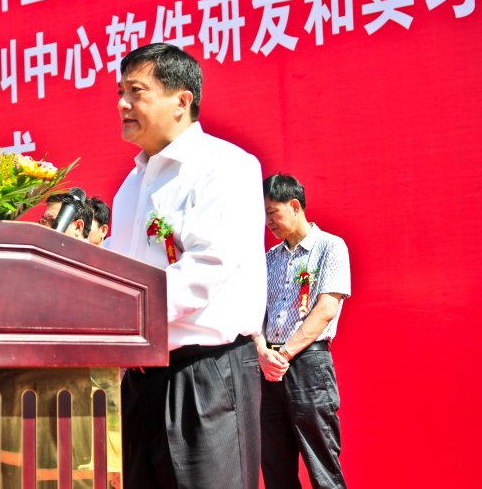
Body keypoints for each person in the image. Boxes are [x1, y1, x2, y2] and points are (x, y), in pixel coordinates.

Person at [107, 43, 267, 488]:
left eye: (136, 91)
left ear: (182, 100)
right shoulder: (131, 185)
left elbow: (206, 268)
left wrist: (120, 315)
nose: (122, 104)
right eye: (120, 92)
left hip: (205, 377)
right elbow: (116, 275)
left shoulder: (225, 166)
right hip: (140, 382)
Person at [253, 174, 350, 489]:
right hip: (271, 370)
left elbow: (326, 309)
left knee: (322, 465)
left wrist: (285, 353)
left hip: (308, 365)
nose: (268, 222)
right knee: (275, 466)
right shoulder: (268, 259)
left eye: (272, 213)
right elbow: (255, 313)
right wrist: (262, 351)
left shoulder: (330, 247)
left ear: (294, 206)